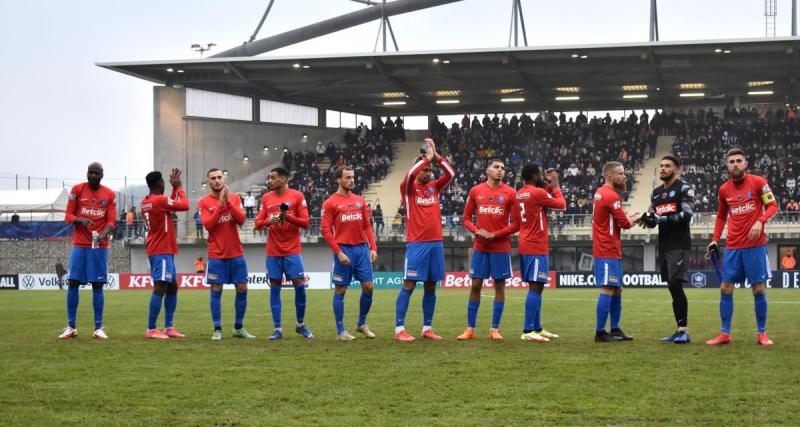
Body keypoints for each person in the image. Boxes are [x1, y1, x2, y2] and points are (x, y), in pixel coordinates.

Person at [706, 149, 779, 346]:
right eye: (731, 161)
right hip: (732, 246)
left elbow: (773, 206)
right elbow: (721, 217)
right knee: (725, 287)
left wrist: (760, 221)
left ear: (745, 164)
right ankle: (725, 334)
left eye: (739, 161)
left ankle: (761, 333)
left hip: (755, 246)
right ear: (727, 165)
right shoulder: (723, 190)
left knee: (758, 289)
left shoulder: (758, 182)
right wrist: (714, 239)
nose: (735, 164)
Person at [394, 138, 454, 342]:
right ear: (418, 170)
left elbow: (451, 173)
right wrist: (426, 158)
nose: (430, 173)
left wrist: (436, 156)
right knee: (409, 285)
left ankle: (427, 328)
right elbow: (410, 174)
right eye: (426, 170)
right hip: (417, 243)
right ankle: (399, 329)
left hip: (436, 243)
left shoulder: (435, 187)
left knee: (431, 286)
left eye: (431, 170)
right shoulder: (408, 189)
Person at [457, 159, 517, 341]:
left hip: (500, 247)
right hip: (480, 246)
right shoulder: (476, 191)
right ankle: (470, 329)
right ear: (487, 170)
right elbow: (466, 218)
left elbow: (516, 224)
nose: (500, 171)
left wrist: (496, 234)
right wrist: (477, 231)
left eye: (503, 168)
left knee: (499, 286)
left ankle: (494, 329)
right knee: (475, 285)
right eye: (496, 167)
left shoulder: (511, 193)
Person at [637, 156, 694, 344]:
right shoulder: (655, 193)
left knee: (675, 285)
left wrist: (661, 220)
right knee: (671, 286)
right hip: (664, 244)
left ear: (677, 169)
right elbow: (652, 215)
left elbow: (687, 214)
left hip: (679, 243)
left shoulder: (684, 188)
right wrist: (647, 219)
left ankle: (683, 331)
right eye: (661, 166)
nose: (663, 169)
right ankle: (679, 330)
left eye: (667, 166)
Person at [58, 162, 116, 340]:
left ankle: (98, 328)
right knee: (73, 282)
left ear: (102, 175)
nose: (93, 176)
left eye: (97, 173)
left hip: (98, 246)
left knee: (97, 285)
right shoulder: (77, 190)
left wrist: (102, 235)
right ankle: (71, 327)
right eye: (91, 173)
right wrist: (80, 220)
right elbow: (68, 215)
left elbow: (111, 222)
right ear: (87, 173)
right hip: (80, 245)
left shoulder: (110, 194)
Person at [255, 167, 314, 340]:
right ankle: (277, 329)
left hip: (292, 250)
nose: (270, 180)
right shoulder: (266, 198)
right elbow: (258, 224)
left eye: (273, 178)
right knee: (274, 287)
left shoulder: (297, 196)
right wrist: (268, 221)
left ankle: (300, 324)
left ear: (283, 179)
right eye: (269, 178)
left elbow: (306, 223)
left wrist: (287, 217)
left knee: (300, 286)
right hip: (273, 251)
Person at [321, 166, 378, 340]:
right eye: (347, 177)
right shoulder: (330, 202)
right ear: (338, 180)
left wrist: (373, 247)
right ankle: (341, 331)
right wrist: (338, 252)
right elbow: (325, 230)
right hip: (343, 250)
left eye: (353, 177)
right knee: (341, 289)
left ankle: (361, 323)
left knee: (368, 287)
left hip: (361, 250)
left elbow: (367, 225)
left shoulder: (360, 201)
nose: (352, 180)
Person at [510, 164, 566, 343]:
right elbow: (561, 205)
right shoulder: (537, 193)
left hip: (527, 243)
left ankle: (537, 328)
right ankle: (527, 330)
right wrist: (555, 186)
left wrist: (548, 187)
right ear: (534, 176)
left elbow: (538, 199)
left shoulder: (520, 193)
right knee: (535, 286)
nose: (543, 176)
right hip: (535, 246)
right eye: (541, 175)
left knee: (538, 286)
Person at [198, 168, 255, 341]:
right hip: (216, 254)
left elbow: (241, 220)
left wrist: (228, 203)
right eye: (213, 178)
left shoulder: (235, 198)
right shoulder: (204, 202)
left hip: (236, 252)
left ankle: (238, 327)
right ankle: (217, 329)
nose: (217, 181)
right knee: (216, 289)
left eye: (219, 177)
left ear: (224, 179)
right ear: (208, 181)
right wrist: (220, 206)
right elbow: (208, 225)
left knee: (243, 288)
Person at [140, 168, 190, 339]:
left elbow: (170, 204)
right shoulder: (159, 201)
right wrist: (179, 186)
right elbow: (184, 205)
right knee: (160, 287)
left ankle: (169, 327)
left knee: (172, 287)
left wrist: (174, 189)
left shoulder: (147, 201)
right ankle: (151, 329)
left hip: (162, 249)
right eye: (163, 181)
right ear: (159, 183)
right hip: (161, 250)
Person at [592, 161, 639, 342]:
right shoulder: (611, 196)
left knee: (617, 289)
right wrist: (635, 219)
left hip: (610, 248)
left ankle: (615, 329)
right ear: (610, 176)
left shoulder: (600, 193)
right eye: (620, 173)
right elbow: (624, 224)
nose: (624, 176)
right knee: (608, 288)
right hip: (607, 249)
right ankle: (600, 332)